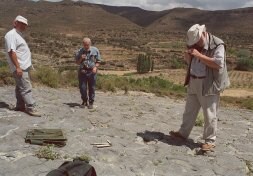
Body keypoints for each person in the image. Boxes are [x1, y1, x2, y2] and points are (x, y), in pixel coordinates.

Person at [169, 24, 230, 151]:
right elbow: (191, 62)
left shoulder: (218, 44)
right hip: (194, 80)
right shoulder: (195, 45)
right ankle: (183, 133)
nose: (196, 43)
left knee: (209, 113)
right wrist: (188, 57)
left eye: (198, 40)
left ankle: (210, 141)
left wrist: (199, 55)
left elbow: (218, 64)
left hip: (208, 83)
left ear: (204, 33)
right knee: (189, 110)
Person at [4, 15, 41, 117]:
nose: (24, 26)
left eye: (25, 24)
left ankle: (20, 105)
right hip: (20, 67)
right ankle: (31, 107)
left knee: (20, 86)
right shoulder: (11, 34)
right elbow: (12, 52)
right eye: (21, 23)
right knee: (26, 87)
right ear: (15, 23)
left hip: (23, 66)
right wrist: (18, 67)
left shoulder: (18, 34)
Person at [75, 37, 102, 109]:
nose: (86, 46)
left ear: (90, 44)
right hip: (82, 71)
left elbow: (98, 61)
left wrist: (95, 67)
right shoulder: (79, 51)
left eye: (87, 45)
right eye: (85, 45)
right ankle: (84, 101)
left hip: (92, 71)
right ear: (83, 44)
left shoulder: (95, 50)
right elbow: (77, 62)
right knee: (82, 87)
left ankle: (91, 102)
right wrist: (81, 58)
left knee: (92, 87)